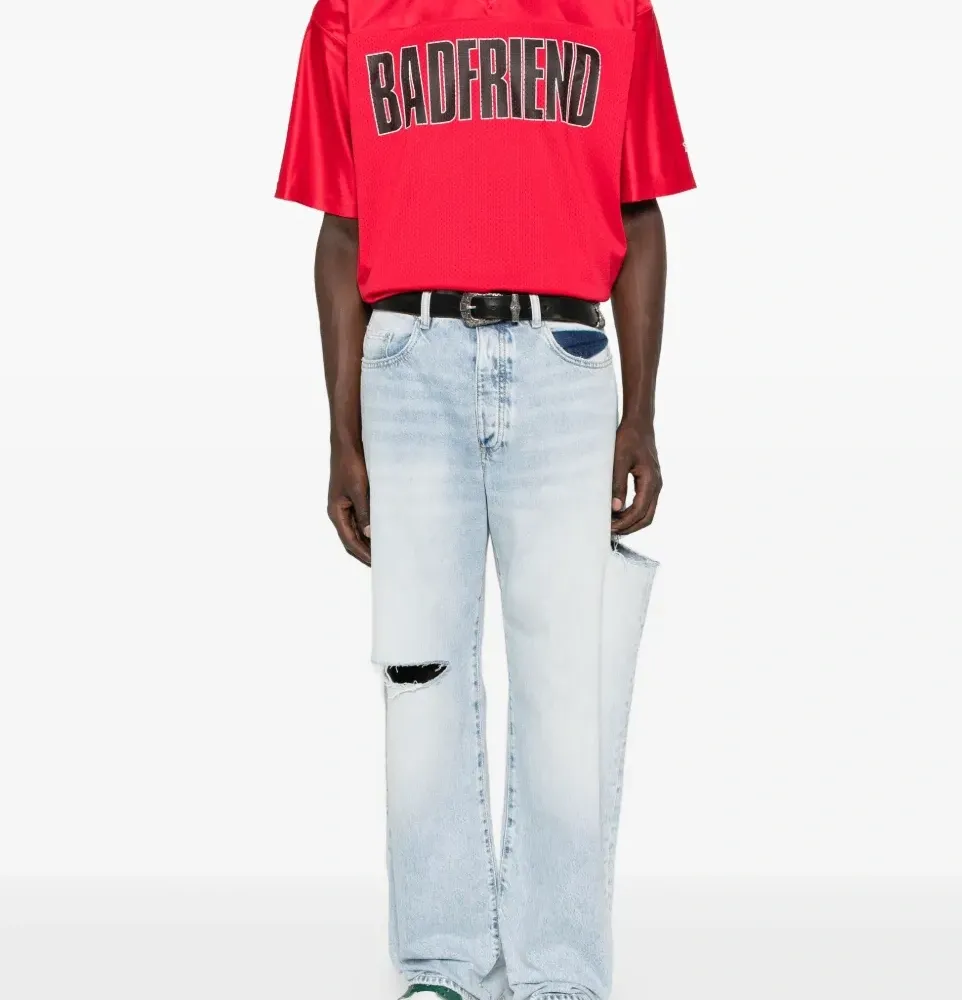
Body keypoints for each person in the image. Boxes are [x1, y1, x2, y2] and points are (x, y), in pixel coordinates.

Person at [275, 2, 694, 1000]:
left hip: (563, 353)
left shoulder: (613, 11)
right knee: (418, 668)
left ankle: (559, 971)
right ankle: (442, 960)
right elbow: (341, 229)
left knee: (568, 677)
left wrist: (639, 414)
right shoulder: (352, 13)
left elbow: (639, 215)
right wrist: (341, 431)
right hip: (408, 355)